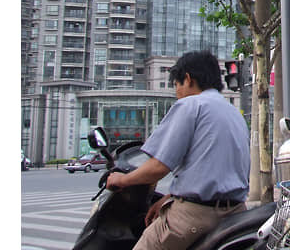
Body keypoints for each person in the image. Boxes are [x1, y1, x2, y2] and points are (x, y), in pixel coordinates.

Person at [106, 50, 250, 250]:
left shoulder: (191, 104)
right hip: (235, 214)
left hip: (196, 218)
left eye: (176, 84)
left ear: (188, 79)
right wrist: (171, 198)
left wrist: (120, 180)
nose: (176, 92)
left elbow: (158, 167)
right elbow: (211, 168)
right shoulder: (234, 113)